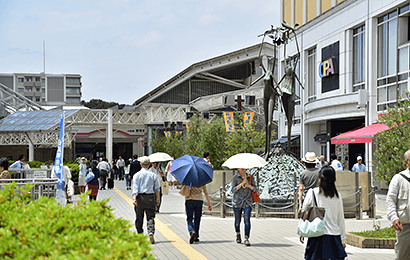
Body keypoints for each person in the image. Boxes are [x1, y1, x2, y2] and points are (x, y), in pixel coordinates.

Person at [300, 166, 347, 260]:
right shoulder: (337, 196)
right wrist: (343, 239)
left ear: (320, 178)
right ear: (334, 179)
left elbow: (304, 211)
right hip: (334, 237)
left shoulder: (312, 193)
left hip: (317, 236)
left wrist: (302, 231)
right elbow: (340, 219)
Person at [386, 149, 410, 260]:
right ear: (406, 162)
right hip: (405, 227)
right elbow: (390, 200)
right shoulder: (399, 178)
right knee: (402, 256)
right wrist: (394, 218)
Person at [132, 156, 160, 244]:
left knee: (139, 217)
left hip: (140, 197)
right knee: (150, 216)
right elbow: (157, 189)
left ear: (140, 165)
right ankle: (151, 232)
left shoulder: (136, 175)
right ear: (149, 165)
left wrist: (134, 198)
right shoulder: (153, 175)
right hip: (150, 197)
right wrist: (158, 198)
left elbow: (135, 188)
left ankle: (140, 234)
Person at [231, 168, 257, 246]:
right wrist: (241, 184)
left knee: (247, 220)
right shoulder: (235, 177)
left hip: (247, 202)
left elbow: (255, 189)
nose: (242, 168)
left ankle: (246, 238)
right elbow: (233, 190)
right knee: (237, 221)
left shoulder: (250, 177)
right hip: (237, 202)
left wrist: (248, 185)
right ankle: (238, 234)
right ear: (238, 169)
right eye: (240, 167)